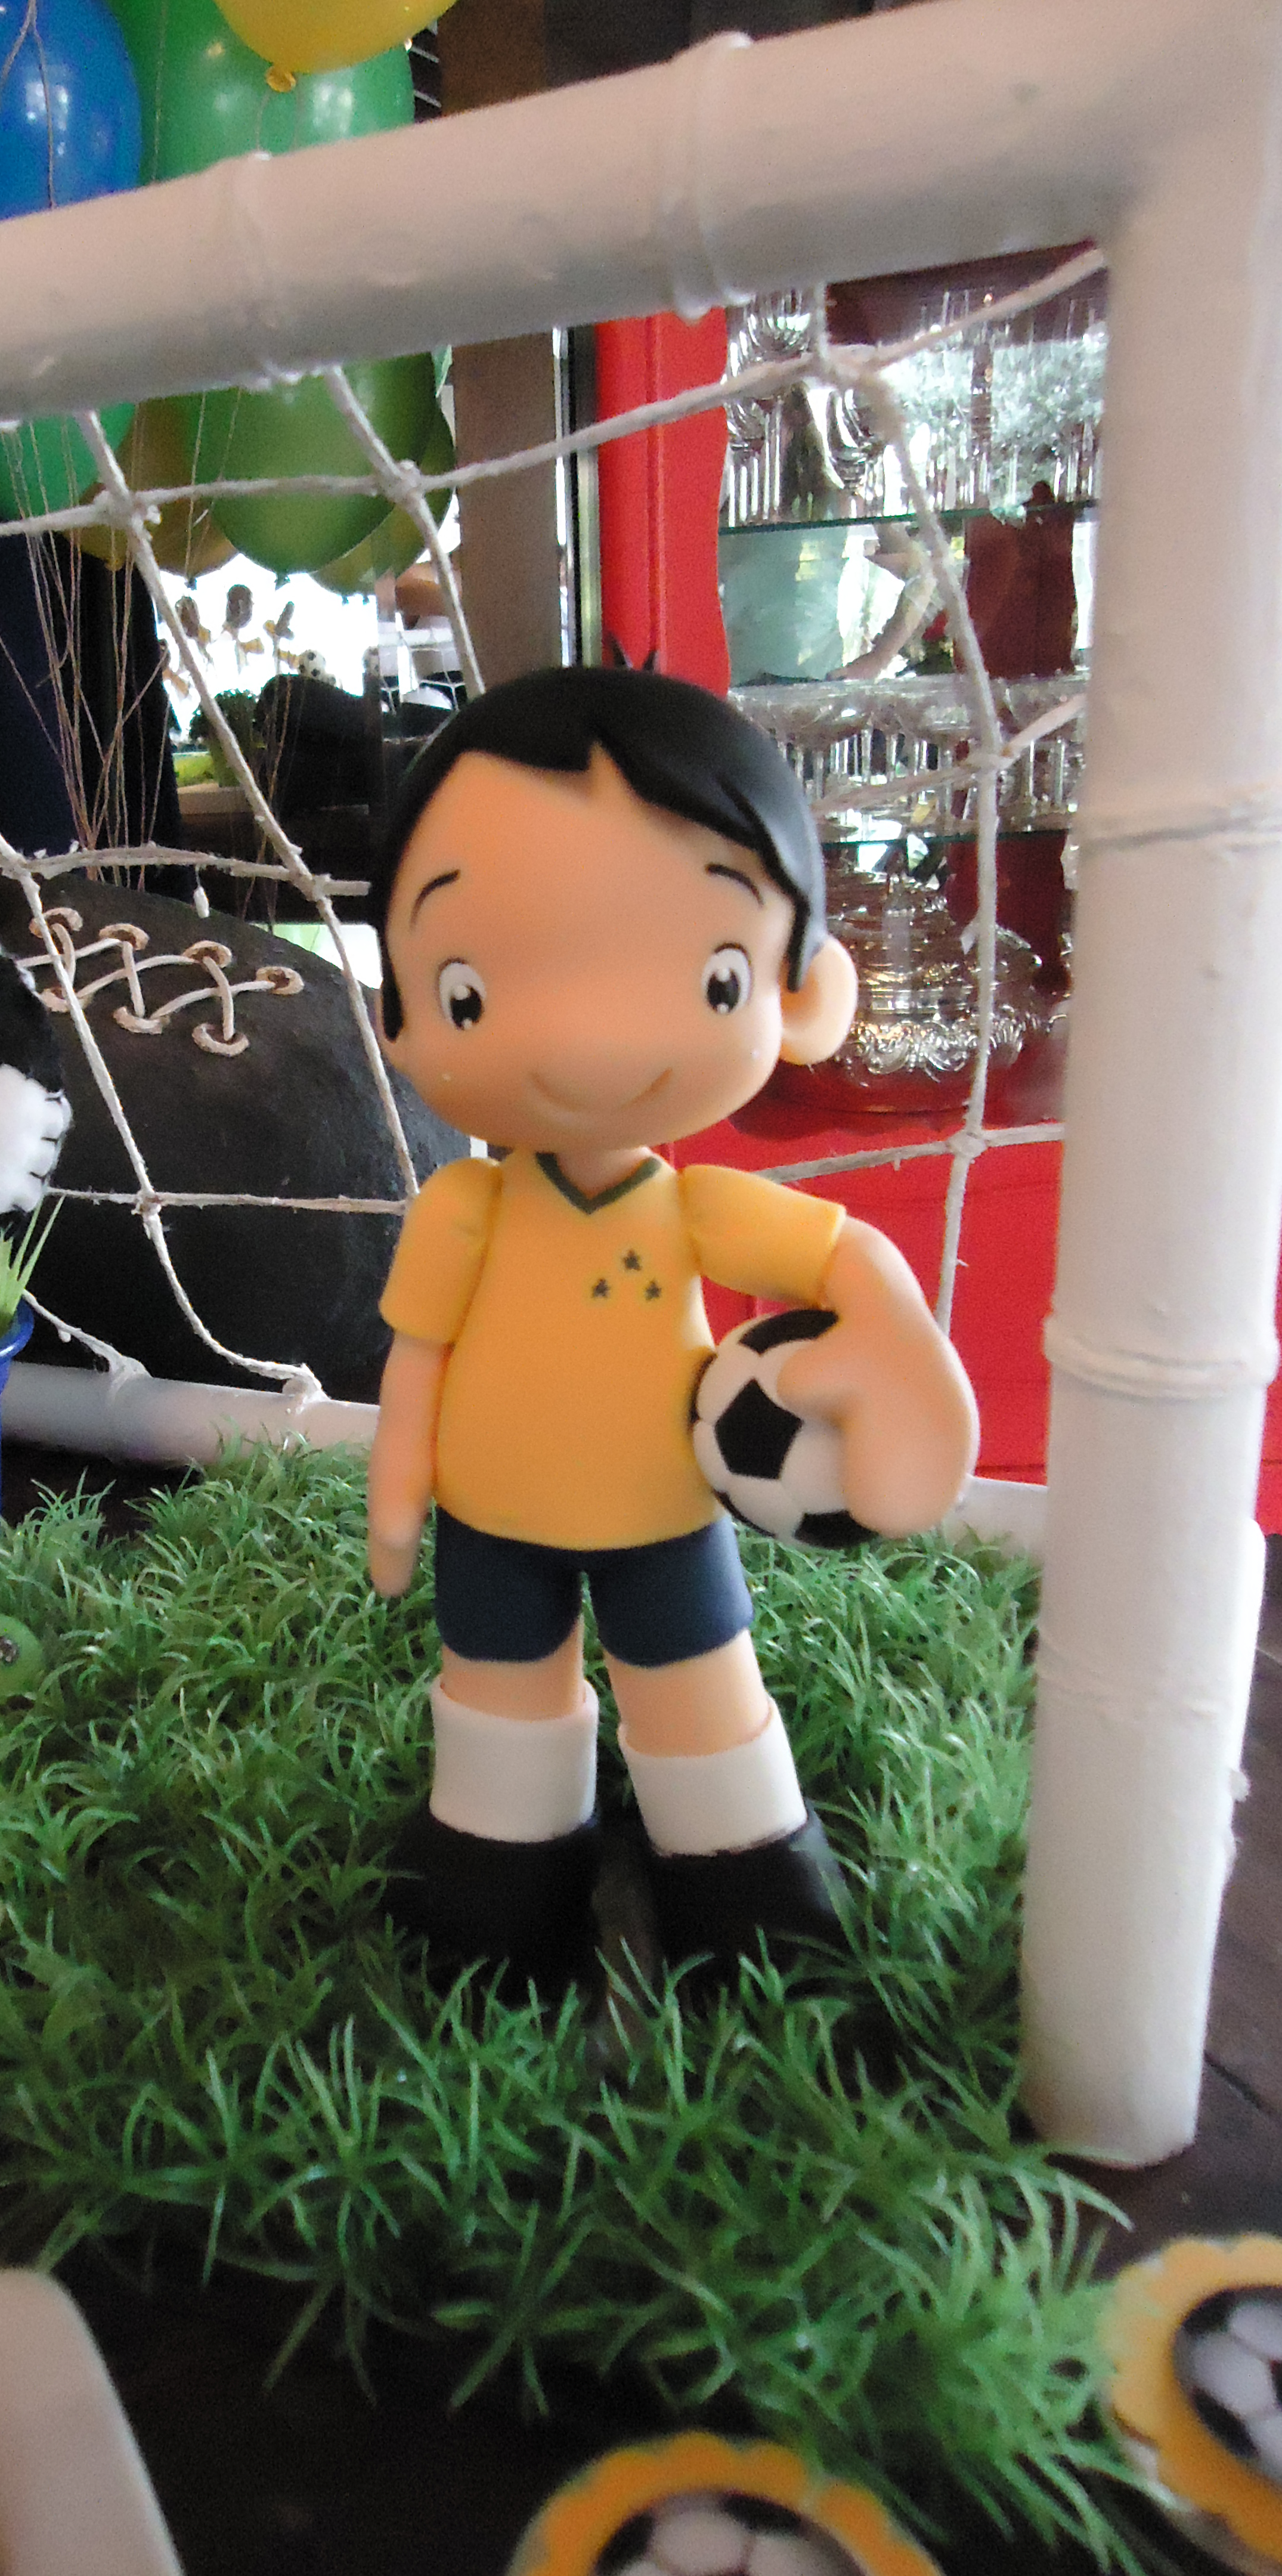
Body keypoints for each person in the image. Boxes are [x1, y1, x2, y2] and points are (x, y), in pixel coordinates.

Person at [365, 667, 977, 1990]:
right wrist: (396, 1496)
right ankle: (504, 1866)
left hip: (663, 1513)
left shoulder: (697, 1207)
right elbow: (417, 1357)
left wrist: (891, 1337)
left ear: (800, 995)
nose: (584, 1041)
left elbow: (844, 1256)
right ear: (400, 1017)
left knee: (695, 1685)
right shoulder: (464, 1210)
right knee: (500, 1693)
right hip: (493, 1515)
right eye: (469, 990)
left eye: (713, 976)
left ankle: (742, 1867)